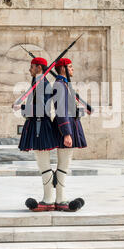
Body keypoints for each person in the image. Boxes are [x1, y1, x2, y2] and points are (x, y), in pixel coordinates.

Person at [15, 57, 58, 212]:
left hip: (40, 124)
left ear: (39, 67)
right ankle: (50, 198)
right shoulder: (38, 82)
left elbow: (43, 110)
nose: (29, 70)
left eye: (31, 67)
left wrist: (22, 109)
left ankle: (48, 200)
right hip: (38, 123)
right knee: (43, 163)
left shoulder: (42, 84)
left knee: (43, 164)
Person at [51, 58, 87, 211]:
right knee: (63, 165)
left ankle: (60, 197)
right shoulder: (60, 85)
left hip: (71, 126)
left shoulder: (64, 84)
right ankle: (60, 199)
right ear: (64, 69)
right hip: (66, 128)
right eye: (70, 67)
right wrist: (67, 133)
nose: (73, 69)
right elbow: (61, 111)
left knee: (65, 164)